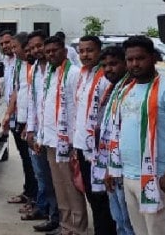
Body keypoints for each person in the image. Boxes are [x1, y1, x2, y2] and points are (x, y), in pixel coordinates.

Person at [117, 36, 165, 235]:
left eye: (140, 58)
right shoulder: (127, 88)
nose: (134, 64)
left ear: (154, 57)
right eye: (130, 59)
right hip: (129, 175)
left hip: (156, 177)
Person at [31, 35, 87, 235]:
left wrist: (73, 141)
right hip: (50, 140)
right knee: (59, 186)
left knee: (71, 187)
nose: (51, 54)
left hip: (66, 141)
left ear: (64, 51)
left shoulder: (73, 73)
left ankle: (77, 227)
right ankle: (65, 226)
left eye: (55, 50)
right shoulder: (49, 74)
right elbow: (43, 107)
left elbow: (77, 107)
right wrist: (40, 136)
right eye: (48, 51)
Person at [73, 35, 116, 235]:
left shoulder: (106, 78)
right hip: (83, 145)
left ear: (99, 51)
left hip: (100, 149)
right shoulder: (84, 75)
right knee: (92, 194)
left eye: (89, 50)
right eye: (81, 51)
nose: (85, 55)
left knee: (103, 197)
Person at [93, 46, 135, 235]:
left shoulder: (130, 89)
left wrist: (113, 167)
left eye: (113, 64)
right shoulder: (115, 87)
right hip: (110, 164)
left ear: (125, 63)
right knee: (119, 220)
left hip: (124, 168)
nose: (108, 69)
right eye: (104, 65)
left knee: (128, 221)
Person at [23, 31, 59, 230]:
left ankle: (63, 220)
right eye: (33, 47)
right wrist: (30, 129)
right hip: (38, 133)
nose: (37, 50)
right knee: (44, 177)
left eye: (39, 46)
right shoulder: (35, 69)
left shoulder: (59, 69)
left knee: (60, 181)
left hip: (56, 135)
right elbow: (32, 101)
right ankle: (53, 217)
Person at [2, 32, 37, 208]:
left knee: (33, 163)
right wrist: (8, 114)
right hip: (18, 118)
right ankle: (28, 192)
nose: (12, 50)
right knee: (25, 159)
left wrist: (29, 124)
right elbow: (16, 91)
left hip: (30, 122)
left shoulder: (34, 66)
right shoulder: (18, 65)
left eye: (15, 47)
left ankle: (35, 198)